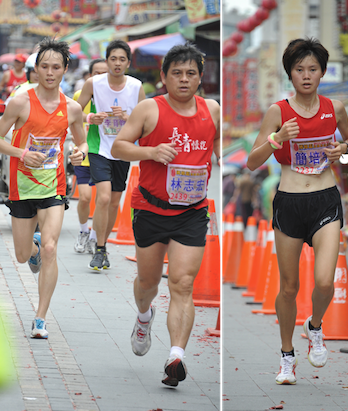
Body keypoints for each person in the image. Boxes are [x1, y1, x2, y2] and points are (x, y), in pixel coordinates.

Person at [247, 38, 348, 385]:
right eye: (299, 70)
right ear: (290, 75)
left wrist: (341, 148)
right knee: (289, 287)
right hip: (290, 202)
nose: (306, 76)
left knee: (325, 280)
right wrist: (277, 137)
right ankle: (286, 356)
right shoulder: (278, 112)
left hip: (325, 198)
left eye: (312, 69)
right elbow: (252, 161)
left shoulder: (334, 107)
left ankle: (315, 327)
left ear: (322, 72)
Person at [111, 43, 221, 386]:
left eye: (191, 73)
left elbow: (219, 145)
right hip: (151, 208)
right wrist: (150, 150)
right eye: (177, 73)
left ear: (201, 78)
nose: (184, 79)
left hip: (192, 211)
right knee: (147, 283)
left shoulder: (213, 110)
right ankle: (144, 317)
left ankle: (176, 356)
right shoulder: (149, 109)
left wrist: (223, 158)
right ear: (164, 77)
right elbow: (118, 147)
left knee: (182, 283)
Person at [0, 38, 88, 339]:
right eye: (44, 66)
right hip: (21, 186)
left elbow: (82, 141)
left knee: (50, 248)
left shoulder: (71, 108)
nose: (49, 72)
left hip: (53, 186)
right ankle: (30, 250)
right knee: (23, 255)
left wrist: (79, 153)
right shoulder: (20, 102)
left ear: (64, 69)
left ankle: (41, 317)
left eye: (56, 67)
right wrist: (21, 154)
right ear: (35, 69)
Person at [77, 40, 145, 271]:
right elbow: (74, 112)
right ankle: (100, 248)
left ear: (128, 62)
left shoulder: (136, 86)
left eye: (122, 59)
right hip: (99, 147)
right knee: (103, 198)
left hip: (123, 148)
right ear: (106, 61)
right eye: (113, 59)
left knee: (114, 201)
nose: (117, 63)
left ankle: (102, 246)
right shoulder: (93, 83)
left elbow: (148, 120)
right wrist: (89, 118)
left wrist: (128, 118)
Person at [73, 58, 108, 254]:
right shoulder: (81, 95)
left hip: (106, 155)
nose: (101, 77)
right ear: (90, 76)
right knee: (85, 198)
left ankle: (96, 239)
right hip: (85, 153)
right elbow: (72, 117)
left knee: (103, 200)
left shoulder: (115, 97)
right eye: (97, 73)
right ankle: (83, 231)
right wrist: (88, 119)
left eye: (105, 73)